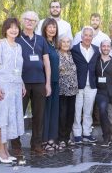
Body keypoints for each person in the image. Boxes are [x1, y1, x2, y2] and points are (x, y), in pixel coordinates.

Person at [11, 11, 51, 155]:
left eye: (33, 20)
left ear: (36, 23)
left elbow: (47, 63)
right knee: (18, 114)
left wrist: (48, 84)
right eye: (27, 19)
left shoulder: (41, 40)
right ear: (22, 21)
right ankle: (16, 145)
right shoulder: (16, 38)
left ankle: (36, 144)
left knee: (38, 115)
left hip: (40, 82)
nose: (29, 22)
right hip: (20, 83)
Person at [0, 18, 25, 163]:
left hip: (15, 87)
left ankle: (6, 149)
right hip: (2, 86)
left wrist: (21, 83)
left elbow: (18, 69)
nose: (14, 30)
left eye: (16, 27)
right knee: (1, 117)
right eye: (11, 28)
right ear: (5, 29)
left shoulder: (18, 47)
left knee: (9, 119)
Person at [71, 26, 100, 144]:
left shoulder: (97, 50)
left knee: (88, 110)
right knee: (77, 110)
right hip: (78, 84)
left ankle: (87, 133)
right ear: (81, 36)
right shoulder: (74, 49)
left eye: (90, 35)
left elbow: (105, 58)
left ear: (92, 37)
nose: (87, 37)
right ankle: (77, 133)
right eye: (86, 35)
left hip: (91, 84)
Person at [41, 18, 60, 151]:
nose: (52, 29)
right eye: (50, 27)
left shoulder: (53, 43)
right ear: (45, 28)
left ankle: (52, 138)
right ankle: (44, 140)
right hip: (45, 82)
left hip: (55, 81)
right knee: (45, 111)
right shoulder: (42, 42)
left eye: (54, 27)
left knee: (54, 111)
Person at [58, 37, 79, 147]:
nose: (66, 44)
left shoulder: (72, 54)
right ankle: (61, 138)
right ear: (59, 43)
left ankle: (67, 137)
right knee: (62, 114)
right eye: (63, 42)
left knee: (71, 114)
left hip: (73, 89)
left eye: (68, 42)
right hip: (62, 90)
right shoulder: (56, 54)